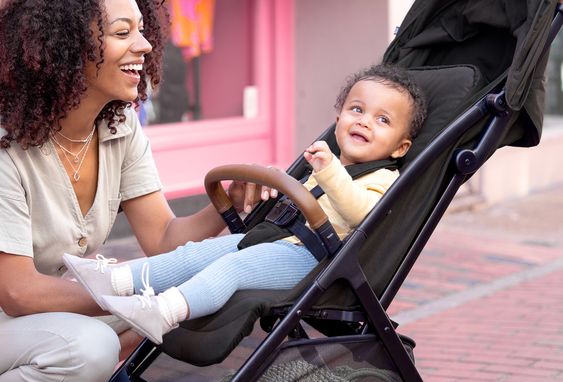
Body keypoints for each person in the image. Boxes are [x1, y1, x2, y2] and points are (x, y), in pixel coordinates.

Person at [0, 0, 264, 382]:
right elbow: (18, 292)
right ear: (67, 45)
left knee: (189, 310)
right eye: (124, 33)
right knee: (91, 348)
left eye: (142, 30)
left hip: (43, 317)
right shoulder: (7, 144)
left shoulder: (119, 128)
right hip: (11, 314)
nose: (144, 45)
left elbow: (163, 238)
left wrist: (224, 199)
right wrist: (133, 291)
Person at [64, 64, 427, 346]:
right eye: (357, 109)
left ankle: (162, 312)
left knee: (232, 268)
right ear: (337, 121)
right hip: (278, 240)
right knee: (194, 254)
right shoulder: (328, 161)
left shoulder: (382, 178)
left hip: (311, 259)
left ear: (400, 148)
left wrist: (330, 171)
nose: (365, 121)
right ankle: (116, 279)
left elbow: (359, 212)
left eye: (382, 120)